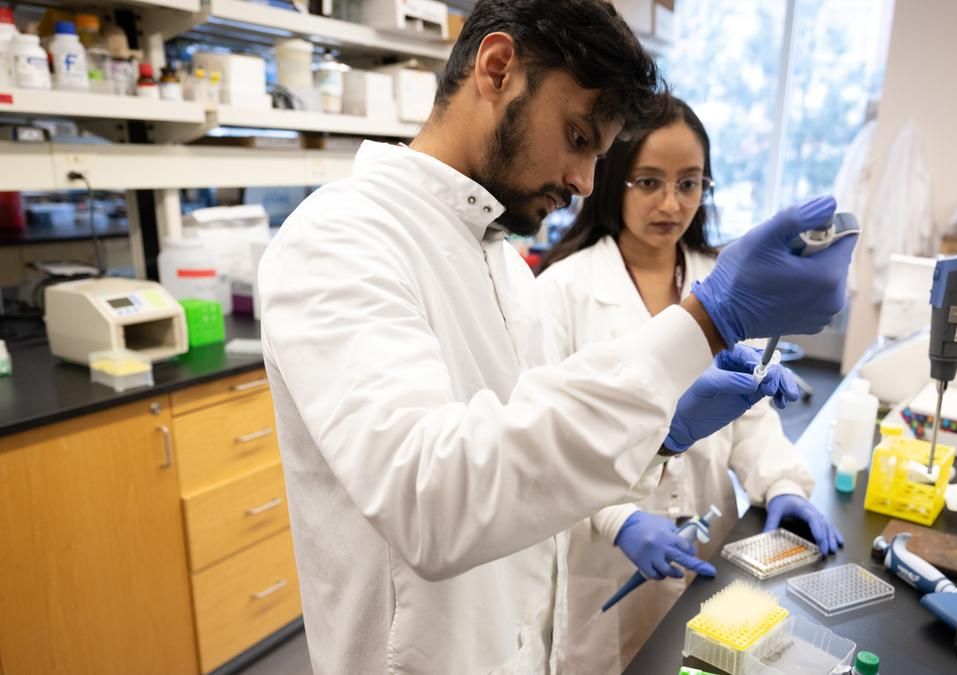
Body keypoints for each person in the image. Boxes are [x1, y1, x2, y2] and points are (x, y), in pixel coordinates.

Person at [257, 0, 858, 672]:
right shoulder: (340, 237)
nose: (582, 182)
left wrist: (666, 432)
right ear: (497, 67)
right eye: (578, 138)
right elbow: (434, 497)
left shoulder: (504, 265)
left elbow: (528, 461)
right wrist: (705, 323)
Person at [538, 97, 845, 672]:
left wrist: (782, 486)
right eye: (649, 182)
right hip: (605, 555)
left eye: (689, 184)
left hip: (712, 536)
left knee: (706, 661)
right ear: (612, 180)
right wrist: (619, 518)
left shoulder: (722, 279)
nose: (671, 203)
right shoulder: (563, 291)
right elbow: (547, 442)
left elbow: (751, 414)